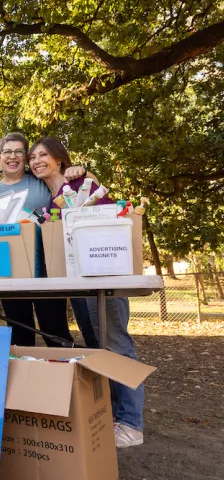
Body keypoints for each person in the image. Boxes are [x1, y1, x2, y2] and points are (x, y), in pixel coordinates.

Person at [29, 136, 145, 448]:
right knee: (97, 345)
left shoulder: (82, 183)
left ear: (58, 158)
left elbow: (112, 217)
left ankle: (132, 424)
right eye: (33, 158)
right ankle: (113, 418)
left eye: (43, 155)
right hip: (77, 284)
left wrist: (84, 174)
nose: (37, 161)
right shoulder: (53, 201)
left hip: (103, 277)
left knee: (117, 344)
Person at [0, 132, 91, 347]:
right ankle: (26, 378)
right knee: (19, 336)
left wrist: (83, 171)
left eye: (19, 152)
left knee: (56, 332)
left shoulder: (41, 181)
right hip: (10, 274)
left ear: (25, 157)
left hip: (47, 273)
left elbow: (76, 184)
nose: (13, 157)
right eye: (7, 152)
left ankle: (64, 377)